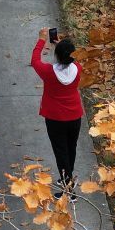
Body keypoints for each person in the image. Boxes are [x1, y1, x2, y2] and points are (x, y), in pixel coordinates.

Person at [30, 27, 84, 198]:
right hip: (74, 115)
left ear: (58, 56)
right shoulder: (77, 68)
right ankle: (67, 177)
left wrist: (41, 40)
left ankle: (68, 188)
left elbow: (34, 60)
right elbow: (67, 57)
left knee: (60, 151)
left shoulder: (48, 72)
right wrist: (58, 44)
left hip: (55, 117)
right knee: (71, 147)